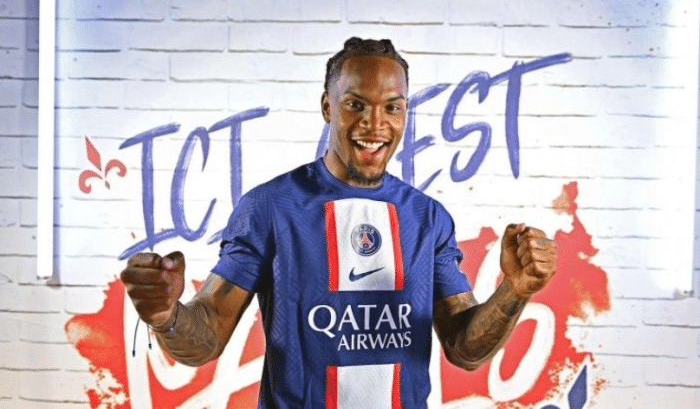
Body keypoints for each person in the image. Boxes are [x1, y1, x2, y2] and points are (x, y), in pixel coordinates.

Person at [120, 37, 557, 409]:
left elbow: (464, 349)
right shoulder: (270, 207)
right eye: (355, 105)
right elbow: (207, 338)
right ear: (328, 107)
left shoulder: (427, 218)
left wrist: (515, 289)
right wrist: (166, 314)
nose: (374, 124)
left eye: (392, 107)